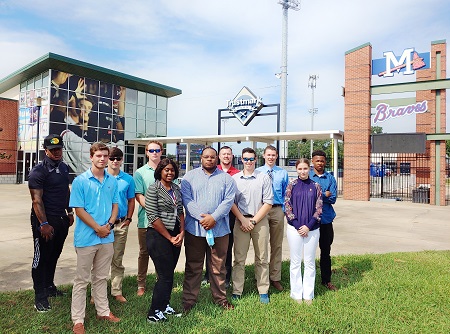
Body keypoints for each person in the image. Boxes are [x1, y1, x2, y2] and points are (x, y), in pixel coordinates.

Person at [69, 142, 120, 334]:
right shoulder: (80, 181)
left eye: (105, 156)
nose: (102, 159)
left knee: (100, 277)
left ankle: (103, 311)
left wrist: (109, 224)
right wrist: (97, 227)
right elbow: (78, 209)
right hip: (86, 238)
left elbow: (115, 205)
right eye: (99, 155)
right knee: (81, 280)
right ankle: (78, 320)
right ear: (91, 157)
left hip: (107, 237)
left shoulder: (112, 181)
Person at [181, 147, 236, 312]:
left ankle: (220, 299)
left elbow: (228, 202)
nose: (210, 159)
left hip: (220, 230)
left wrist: (214, 218)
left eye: (213, 157)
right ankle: (189, 300)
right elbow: (187, 200)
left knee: (218, 266)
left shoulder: (227, 179)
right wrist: (202, 218)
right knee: (193, 266)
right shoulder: (189, 177)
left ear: (217, 158)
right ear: (201, 158)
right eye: (206, 157)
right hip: (195, 230)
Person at [28, 134, 74, 312]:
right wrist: (43, 224)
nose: (56, 152)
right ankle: (40, 297)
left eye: (59, 149)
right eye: (53, 150)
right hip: (44, 221)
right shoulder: (38, 171)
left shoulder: (64, 168)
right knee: (41, 258)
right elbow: (36, 200)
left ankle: (49, 287)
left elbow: (65, 191)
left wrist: (69, 212)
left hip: (61, 218)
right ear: (46, 151)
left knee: (54, 255)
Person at [145, 158, 185, 323]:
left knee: (169, 272)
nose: (170, 173)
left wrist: (181, 233)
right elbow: (153, 217)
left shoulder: (176, 188)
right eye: (166, 170)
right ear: (160, 171)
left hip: (175, 235)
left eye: (172, 170)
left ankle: (164, 305)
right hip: (158, 235)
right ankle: (154, 312)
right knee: (164, 275)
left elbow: (180, 211)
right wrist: (169, 237)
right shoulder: (153, 189)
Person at [231, 147, 273, 304]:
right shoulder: (235, 179)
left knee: (262, 257)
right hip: (240, 221)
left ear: (256, 160)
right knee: (239, 258)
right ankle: (237, 290)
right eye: (245, 159)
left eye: (251, 159)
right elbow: (231, 203)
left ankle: (263, 290)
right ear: (241, 159)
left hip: (259, 221)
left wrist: (253, 221)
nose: (248, 162)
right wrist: (243, 219)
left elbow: (268, 202)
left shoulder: (263, 178)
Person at [285, 158, 323, 305]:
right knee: (295, 262)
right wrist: (296, 224)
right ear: (296, 169)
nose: (302, 171)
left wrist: (309, 225)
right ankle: (296, 294)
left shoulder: (316, 186)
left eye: (305, 168)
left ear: (310, 168)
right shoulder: (291, 185)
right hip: (294, 229)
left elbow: (319, 208)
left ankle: (308, 294)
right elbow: (287, 206)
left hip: (312, 230)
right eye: (300, 169)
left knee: (309, 262)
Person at [203, 145, 239, 288]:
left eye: (228, 154)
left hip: (229, 216)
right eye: (223, 154)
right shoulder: (213, 171)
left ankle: (226, 276)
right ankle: (208, 275)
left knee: (226, 247)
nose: (226, 156)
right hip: (211, 215)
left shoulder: (236, 173)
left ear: (232, 156)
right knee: (209, 245)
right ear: (219, 156)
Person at [256, 145, 289, 291]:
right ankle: (260, 276)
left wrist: (283, 210)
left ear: (276, 156)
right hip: (262, 210)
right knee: (261, 245)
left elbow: (287, 193)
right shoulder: (257, 172)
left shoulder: (282, 173)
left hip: (276, 210)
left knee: (276, 245)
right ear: (263, 156)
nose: (270, 157)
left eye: (273, 155)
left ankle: (275, 277)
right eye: (268, 155)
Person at [133, 140, 163, 296]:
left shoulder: (167, 170)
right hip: (146, 220)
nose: (154, 153)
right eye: (151, 150)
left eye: (157, 150)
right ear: (146, 152)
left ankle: (162, 280)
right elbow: (139, 195)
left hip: (165, 221)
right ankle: (141, 284)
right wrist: (154, 211)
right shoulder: (140, 173)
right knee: (144, 252)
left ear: (161, 152)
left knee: (161, 252)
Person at [107, 147, 135, 303]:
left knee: (117, 259)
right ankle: (97, 292)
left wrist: (129, 219)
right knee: (100, 260)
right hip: (104, 226)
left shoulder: (128, 179)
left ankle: (116, 290)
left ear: (122, 160)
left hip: (121, 224)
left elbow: (131, 200)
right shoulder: (101, 177)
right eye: (112, 158)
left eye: (118, 158)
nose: (115, 161)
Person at [309, 150, 338, 291]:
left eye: (322, 161)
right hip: (310, 221)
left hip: (326, 220)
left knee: (326, 251)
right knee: (309, 252)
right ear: (312, 161)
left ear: (325, 161)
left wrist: (315, 195)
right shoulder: (307, 176)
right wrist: (322, 194)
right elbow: (306, 198)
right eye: (317, 160)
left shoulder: (330, 178)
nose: (320, 163)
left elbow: (333, 198)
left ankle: (326, 280)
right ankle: (309, 281)